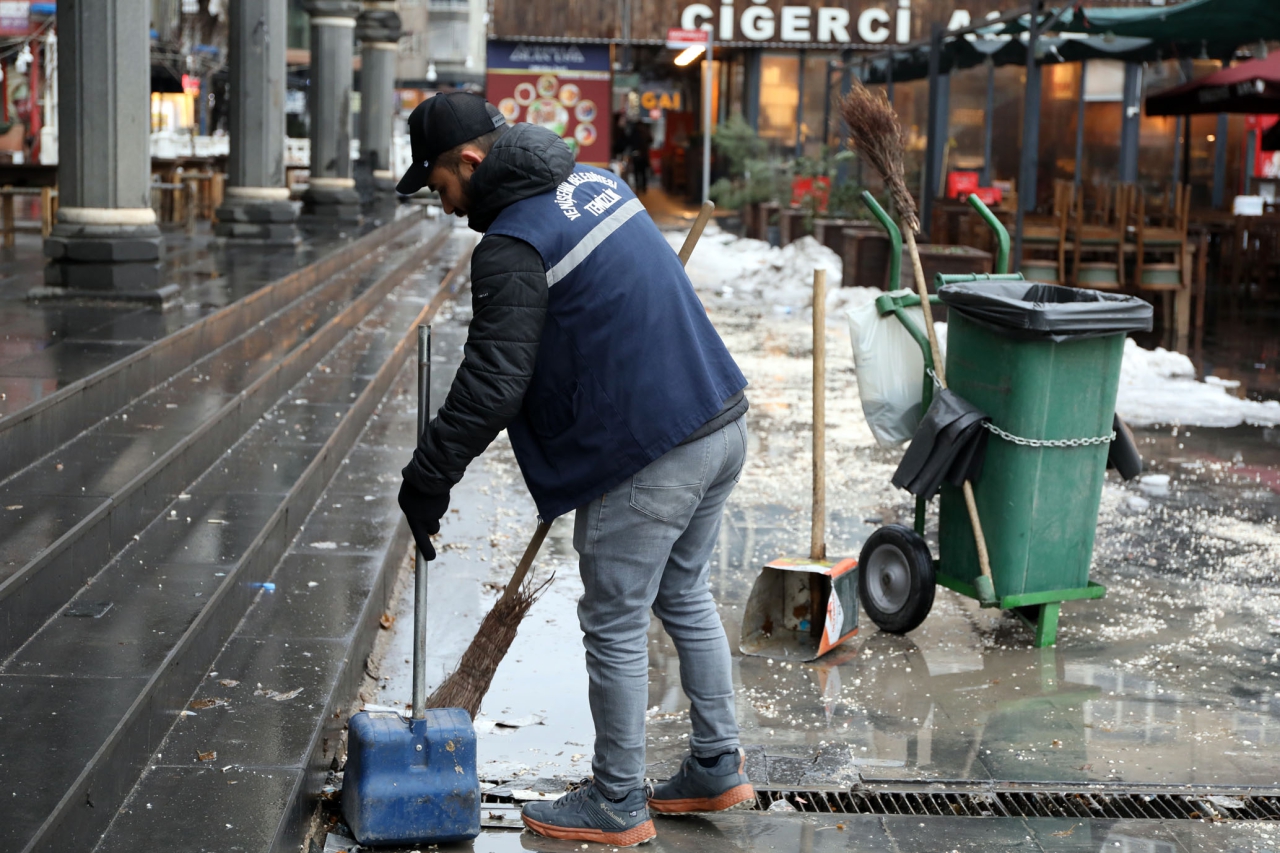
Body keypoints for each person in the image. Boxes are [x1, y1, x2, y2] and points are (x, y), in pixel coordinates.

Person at [395, 92, 753, 847]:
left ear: (469, 160)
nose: (443, 202)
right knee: (684, 593)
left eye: (438, 184)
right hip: (719, 416)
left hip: (655, 448)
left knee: (615, 619)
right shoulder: (597, 180)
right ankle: (718, 766)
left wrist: (428, 475)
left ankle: (618, 800)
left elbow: (494, 381)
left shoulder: (512, 246)